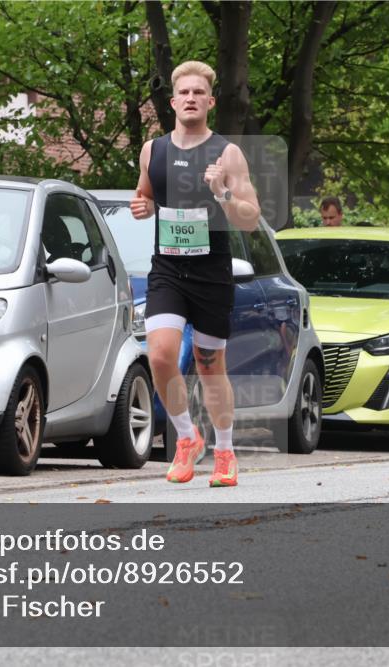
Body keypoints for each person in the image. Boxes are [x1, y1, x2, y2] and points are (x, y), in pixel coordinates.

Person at [130, 60, 260, 487]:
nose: (190, 98)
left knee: (209, 364)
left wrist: (222, 192)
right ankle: (187, 438)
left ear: (210, 102)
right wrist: (142, 206)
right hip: (168, 268)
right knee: (160, 355)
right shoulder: (153, 150)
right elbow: (145, 195)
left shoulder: (227, 153)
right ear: (172, 102)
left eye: (198, 93)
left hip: (211, 272)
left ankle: (225, 451)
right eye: (183, 92)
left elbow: (250, 219)